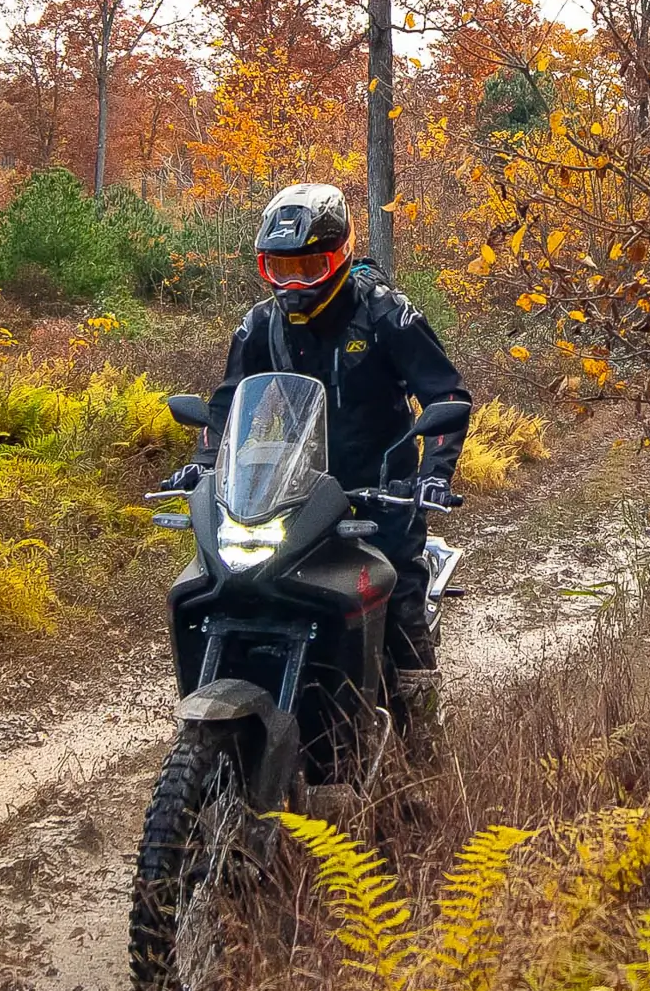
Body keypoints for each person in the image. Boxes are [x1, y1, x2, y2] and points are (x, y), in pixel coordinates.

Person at [166, 182, 471, 726]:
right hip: (295, 488)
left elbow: (446, 396)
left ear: (341, 255)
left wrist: (433, 475)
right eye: (279, 268)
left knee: (398, 590)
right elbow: (227, 403)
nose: (293, 284)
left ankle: (422, 735)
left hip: (381, 487)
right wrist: (206, 464)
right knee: (242, 582)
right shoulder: (260, 324)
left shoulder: (387, 314)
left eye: (309, 267)